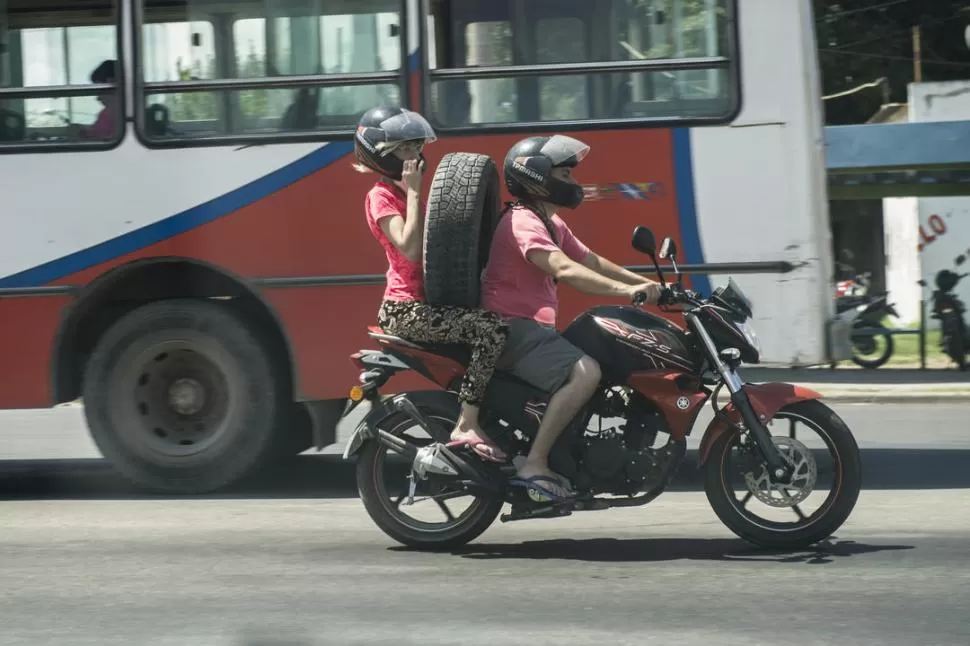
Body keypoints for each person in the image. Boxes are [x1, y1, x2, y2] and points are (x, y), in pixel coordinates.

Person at [480, 134, 663, 502]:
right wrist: (627, 292)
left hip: (529, 328)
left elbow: (590, 260)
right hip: (509, 328)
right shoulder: (522, 222)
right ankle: (534, 463)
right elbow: (563, 268)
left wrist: (647, 282)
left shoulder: (549, 222)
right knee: (586, 372)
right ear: (537, 178)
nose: (574, 183)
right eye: (564, 175)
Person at [354, 106, 510, 462]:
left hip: (428, 303)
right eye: (404, 149)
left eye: (415, 147)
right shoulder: (380, 196)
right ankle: (466, 423)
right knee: (491, 331)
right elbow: (409, 248)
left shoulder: (412, 192)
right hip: (405, 309)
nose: (415, 155)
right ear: (381, 155)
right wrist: (412, 192)